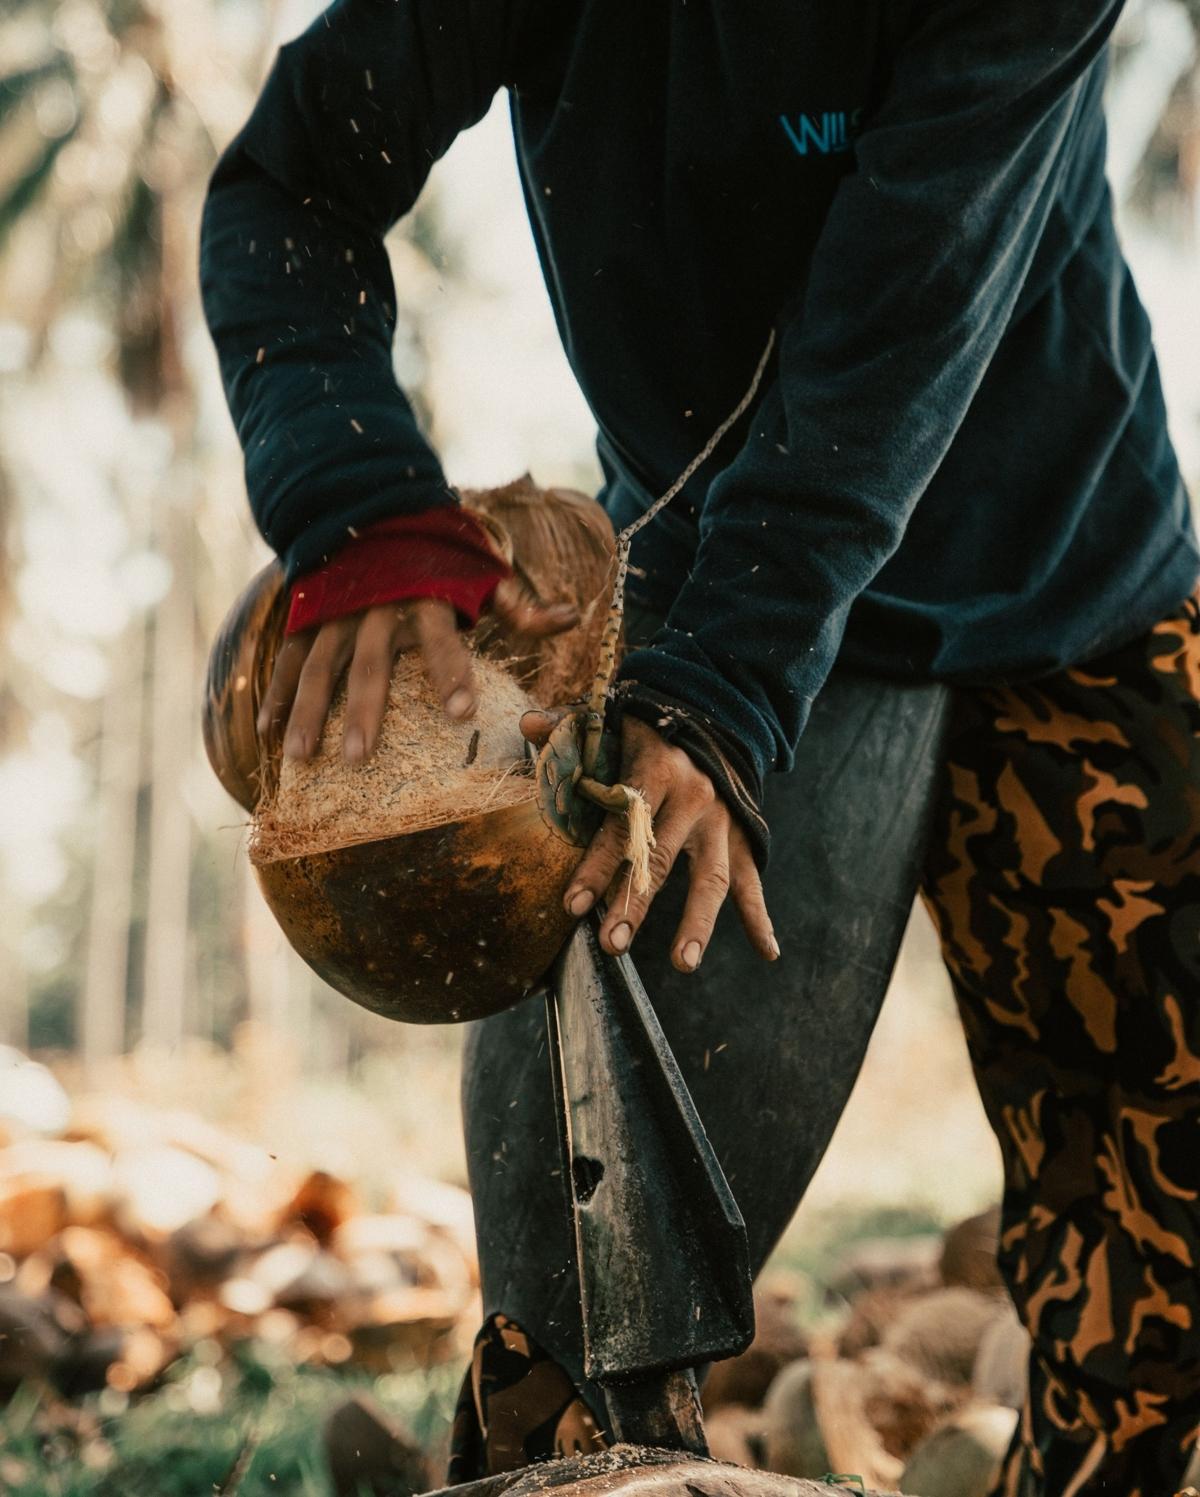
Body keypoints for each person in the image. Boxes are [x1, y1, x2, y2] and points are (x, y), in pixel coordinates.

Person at [200, 3, 1200, 1492]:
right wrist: (357, 495)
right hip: (718, 579)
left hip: (1060, 587)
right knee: (589, 1309)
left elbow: (892, 326)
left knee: (1158, 1247)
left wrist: (719, 695)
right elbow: (291, 183)